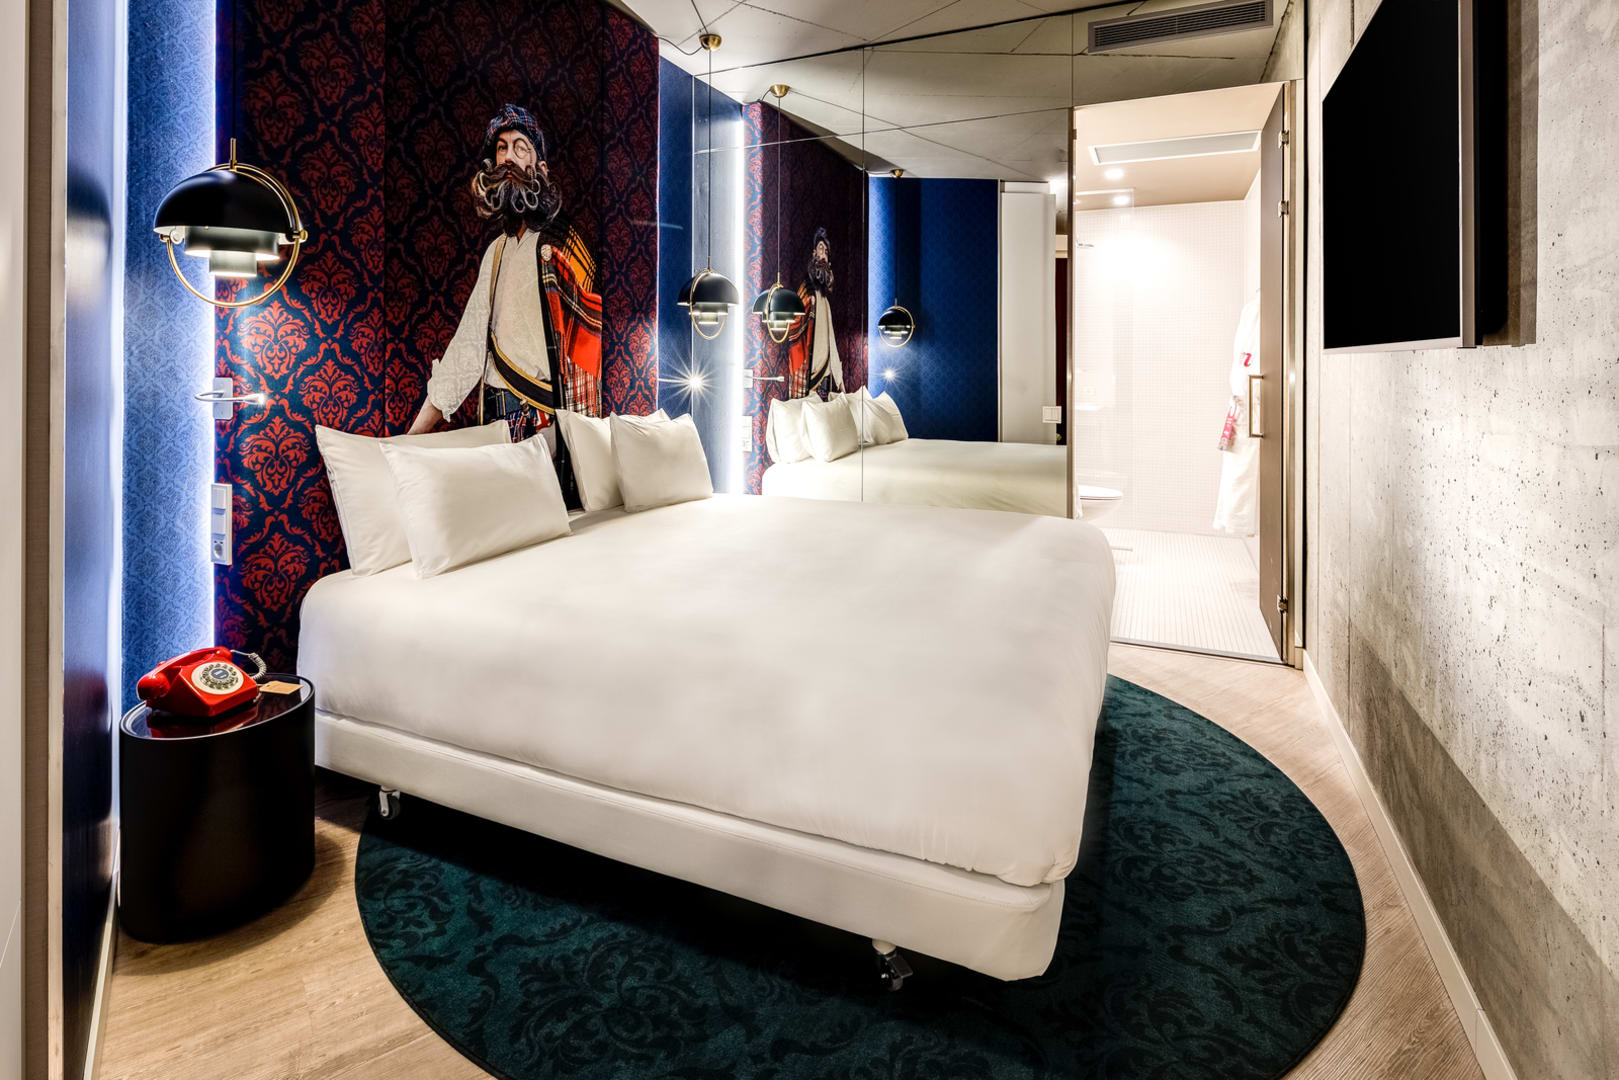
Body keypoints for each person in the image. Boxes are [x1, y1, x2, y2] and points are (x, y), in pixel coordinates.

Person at [405, 104, 603, 442]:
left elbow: (585, 361)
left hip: (545, 429)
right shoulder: (496, 252)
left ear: (541, 168)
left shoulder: (562, 243)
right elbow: (467, 348)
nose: (508, 157)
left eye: (520, 147)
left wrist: (570, 443)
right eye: (501, 148)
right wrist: (411, 436)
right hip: (496, 423)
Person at [784, 226, 843, 398]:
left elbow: (830, 335)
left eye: (826, 251)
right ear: (813, 254)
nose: (823, 253)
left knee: (823, 400)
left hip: (825, 359)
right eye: (820, 248)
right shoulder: (807, 290)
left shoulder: (825, 300)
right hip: (810, 357)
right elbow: (795, 322)